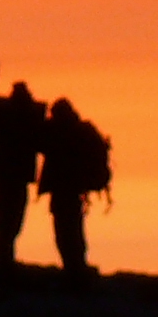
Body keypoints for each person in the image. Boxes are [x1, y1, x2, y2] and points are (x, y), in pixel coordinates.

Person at [41, 94, 111, 276]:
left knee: (66, 231)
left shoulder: (59, 133)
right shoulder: (78, 131)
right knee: (72, 229)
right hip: (73, 190)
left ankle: (74, 267)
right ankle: (76, 265)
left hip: (65, 190)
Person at [0, 81, 44, 265]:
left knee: (3, 223)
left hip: (3, 179)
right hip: (17, 179)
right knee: (12, 222)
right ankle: (4, 260)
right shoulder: (29, 116)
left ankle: (3, 259)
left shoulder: (1, 115)